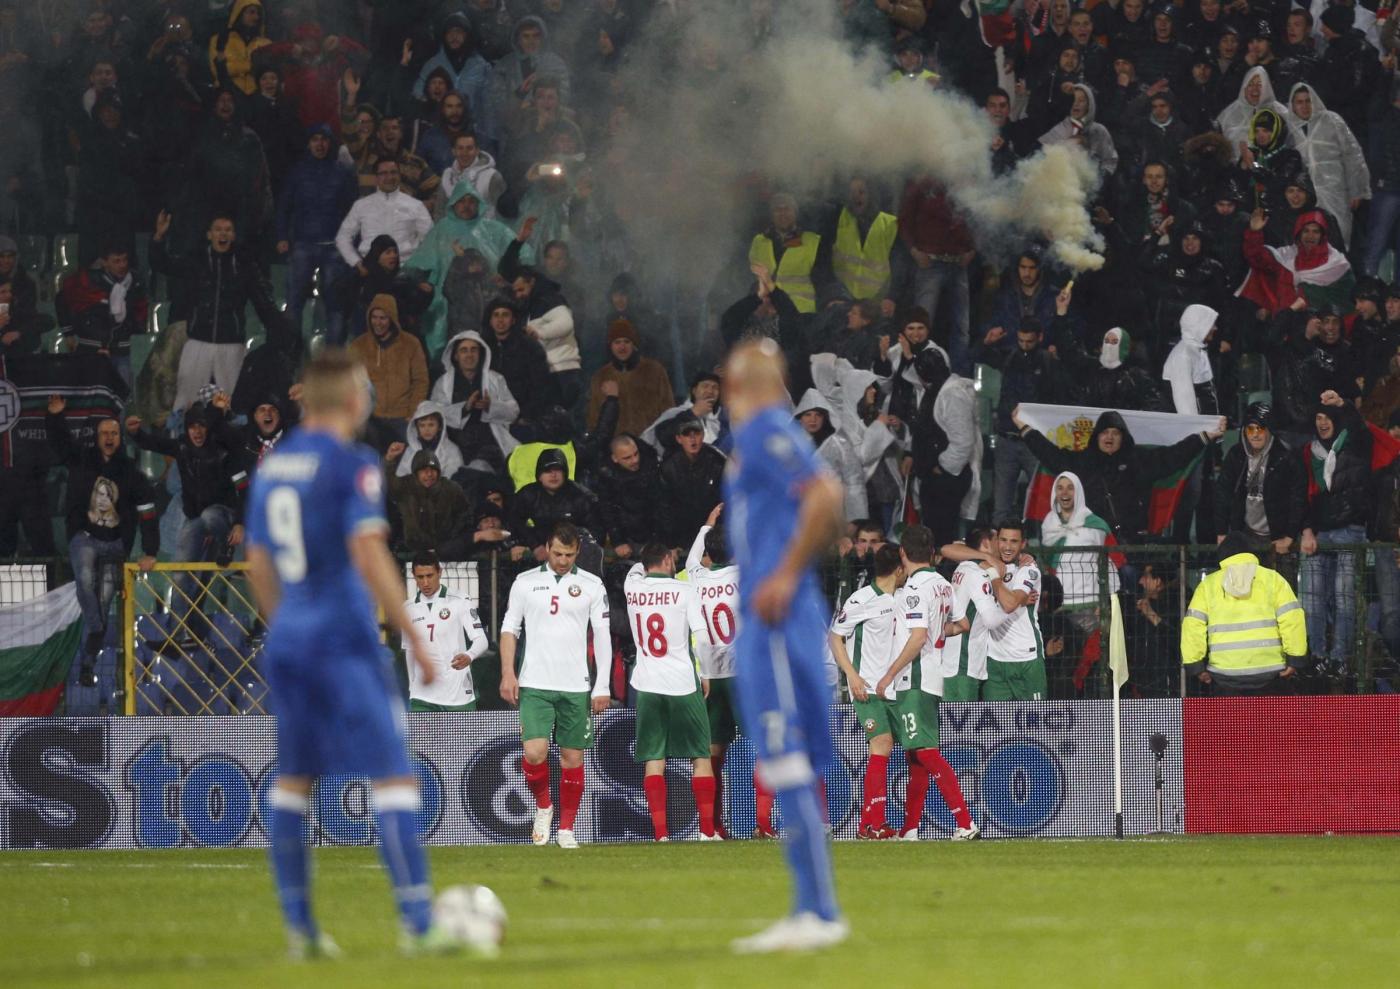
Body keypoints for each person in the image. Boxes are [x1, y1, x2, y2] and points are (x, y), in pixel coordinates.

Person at [244, 350, 462, 957]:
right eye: (365, 388)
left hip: (290, 639)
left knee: (294, 780)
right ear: (350, 399)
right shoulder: (353, 463)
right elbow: (369, 552)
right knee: (392, 774)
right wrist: (413, 635)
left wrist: (286, 624)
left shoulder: (273, 467)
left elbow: (257, 562)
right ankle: (419, 925)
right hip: (344, 638)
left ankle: (302, 932)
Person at [722, 339, 846, 953]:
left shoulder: (766, 431)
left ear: (736, 387)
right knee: (789, 759)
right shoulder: (761, 438)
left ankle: (816, 912)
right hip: (779, 615)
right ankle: (813, 908)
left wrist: (783, 574)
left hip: (775, 616)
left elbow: (826, 495)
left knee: (784, 755)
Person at [498, 522, 610, 849]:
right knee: (534, 753)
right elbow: (509, 628)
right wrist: (507, 673)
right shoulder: (525, 582)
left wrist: (602, 685)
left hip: (575, 685)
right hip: (534, 683)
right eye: (558, 553)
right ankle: (544, 806)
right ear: (547, 548)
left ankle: (567, 828)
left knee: (572, 759)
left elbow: (602, 635)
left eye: (569, 555)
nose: (562, 560)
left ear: (578, 552)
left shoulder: (592, 585)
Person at [872, 525, 978, 841]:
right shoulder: (944, 584)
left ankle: (965, 822)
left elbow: (918, 638)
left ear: (902, 553)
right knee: (916, 756)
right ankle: (910, 828)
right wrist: (935, 633)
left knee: (926, 752)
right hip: (933, 676)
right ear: (932, 553)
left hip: (914, 677)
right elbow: (963, 624)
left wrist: (889, 674)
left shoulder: (914, 589)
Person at [46, 396, 159, 687]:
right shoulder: (82, 459)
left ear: (120, 437)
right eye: (105, 433)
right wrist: (55, 417)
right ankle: (95, 630)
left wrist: (150, 551)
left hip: (115, 544)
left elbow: (148, 512)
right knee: (85, 579)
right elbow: (61, 444)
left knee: (104, 600)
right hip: (84, 537)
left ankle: (88, 663)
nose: (109, 438)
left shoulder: (132, 473)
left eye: (114, 433)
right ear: (97, 438)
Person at [1013, 406, 1225, 543]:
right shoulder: (1083, 462)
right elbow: (1051, 455)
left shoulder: (1138, 460)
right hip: (1093, 542)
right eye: (1105, 432)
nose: (1109, 437)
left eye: (1115, 433)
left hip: (1131, 544)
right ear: (1096, 436)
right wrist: (1025, 429)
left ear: (1123, 437)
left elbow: (1174, 456)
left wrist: (1205, 436)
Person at [624, 544, 719, 841]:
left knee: (654, 758)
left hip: (647, 684)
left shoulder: (632, 587)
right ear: (667, 559)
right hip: (682, 683)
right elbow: (702, 637)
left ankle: (661, 835)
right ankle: (706, 832)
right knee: (700, 755)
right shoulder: (685, 590)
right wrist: (705, 673)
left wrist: (643, 563)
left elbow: (635, 570)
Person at [150, 210, 292, 410]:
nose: (223, 234)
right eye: (218, 229)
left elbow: (264, 304)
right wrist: (158, 237)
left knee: (232, 403)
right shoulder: (196, 261)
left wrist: (282, 331)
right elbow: (163, 264)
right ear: (209, 234)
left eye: (227, 230)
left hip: (231, 344)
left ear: (233, 235)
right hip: (198, 341)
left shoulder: (244, 265)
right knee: (186, 402)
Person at [829, 544, 908, 840]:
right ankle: (873, 824)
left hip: (896, 688)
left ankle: (870, 825)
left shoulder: (904, 597)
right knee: (882, 744)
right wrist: (852, 676)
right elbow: (835, 637)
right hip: (866, 687)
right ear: (898, 569)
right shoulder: (861, 599)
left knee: (902, 749)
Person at [1300, 391, 1375, 678]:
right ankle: (1317, 656)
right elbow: (1303, 495)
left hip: (1349, 530)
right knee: (1312, 600)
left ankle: (1340, 658)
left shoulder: (1354, 444)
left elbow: (1360, 428)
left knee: (1344, 598)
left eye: (1327, 417)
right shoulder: (1309, 453)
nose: (1322, 423)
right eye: (1318, 418)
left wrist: (1344, 405)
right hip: (1318, 534)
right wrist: (1307, 529)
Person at [1182, 533, 1308, 695]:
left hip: (1224, 673)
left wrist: (1196, 666)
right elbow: (1292, 619)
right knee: (1271, 713)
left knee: (1232, 714)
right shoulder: (1273, 579)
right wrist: (1295, 659)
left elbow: (1193, 626)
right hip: (1270, 672)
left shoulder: (1208, 585)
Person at [686, 510, 743, 839]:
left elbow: (692, 558)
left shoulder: (696, 577)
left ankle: (712, 827)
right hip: (742, 675)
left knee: (711, 752)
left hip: (709, 675)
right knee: (762, 746)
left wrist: (706, 524)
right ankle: (763, 823)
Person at [1214, 402, 1307, 575]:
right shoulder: (1236, 455)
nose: (1255, 434)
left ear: (1269, 430)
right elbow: (1223, 493)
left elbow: (1298, 497)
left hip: (1279, 538)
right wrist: (1221, 532)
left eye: (1260, 429)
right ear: (1244, 431)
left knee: (1281, 587)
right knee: (1246, 587)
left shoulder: (1288, 455)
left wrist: (1289, 536)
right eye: (1250, 429)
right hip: (1245, 535)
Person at [404, 551, 489, 711]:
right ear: (413, 576)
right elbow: (410, 650)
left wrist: (469, 656)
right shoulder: (407, 608)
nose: (425, 582)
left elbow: (481, 640)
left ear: (440, 573)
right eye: (420, 577)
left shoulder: (460, 600)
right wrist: (412, 685)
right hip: (422, 697)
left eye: (430, 576)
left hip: (457, 694)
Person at [939, 528, 1015, 702]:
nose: (1001, 545)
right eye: (997, 540)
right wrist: (1013, 606)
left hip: (953, 659)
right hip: (964, 662)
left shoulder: (963, 566)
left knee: (952, 717)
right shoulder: (979, 574)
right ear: (986, 543)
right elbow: (991, 620)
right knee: (961, 718)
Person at [347, 295, 430, 452]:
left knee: (413, 454)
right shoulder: (358, 345)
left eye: (383, 318)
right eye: (374, 317)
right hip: (370, 418)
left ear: (392, 319)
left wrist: (413, 413)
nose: (378, 323)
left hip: (402, 417)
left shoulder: (410, 343)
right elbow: (349, 382)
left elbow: (420, 381)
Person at [983, 521, 1047, 701]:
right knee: (996, 720)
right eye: (1003, 540)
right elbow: (950, 549)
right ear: (996, 541)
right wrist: (985, 558)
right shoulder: (987, 562)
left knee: (1034, 719)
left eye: (1014, 541)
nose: (1007, 547)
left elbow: (1009, 604)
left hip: (1026, 658)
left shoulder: (1028, 569)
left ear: (1023, 544)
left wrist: (992, 574)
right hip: (994, 660)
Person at [336, 158, 435, 268]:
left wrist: (416, 265)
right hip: (369, 270)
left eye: (393, 172)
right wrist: (357, 263)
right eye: (383, 173)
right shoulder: (361, 205)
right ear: (376, 178)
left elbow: (431, 239)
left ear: (399, 176)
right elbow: (343, 237)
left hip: (405, 269)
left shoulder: (416, 205)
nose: (389, 177)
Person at [587, 319, 674, 436]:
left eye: (626, 341)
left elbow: (668, 411)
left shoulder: (655, 370)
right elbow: (594, 420)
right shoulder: (600, 377)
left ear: (634, 344)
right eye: (617, 342)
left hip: (650, 442)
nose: (622, 347)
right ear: (610, 346)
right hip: (616, 445)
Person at [657, 415, 727, 549]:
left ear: (703, 435)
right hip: (684, 536)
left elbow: (725, 501)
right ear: (679, 439)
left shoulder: (717, 462)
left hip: (713, 533)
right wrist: (671, 544)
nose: (692, 439)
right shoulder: (669, 468)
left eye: (696, 433)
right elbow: (665, 508)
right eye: (687, 434)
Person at [748, 194, 822, 314]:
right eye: (777, 209)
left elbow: (823, 280)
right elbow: (754, 280)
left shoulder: (813, 241)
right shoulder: (759, 242)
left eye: (787, 208)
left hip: (800, 312)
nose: (782, 213)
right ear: (771, 215)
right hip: (769, 313)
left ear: (795, 213)